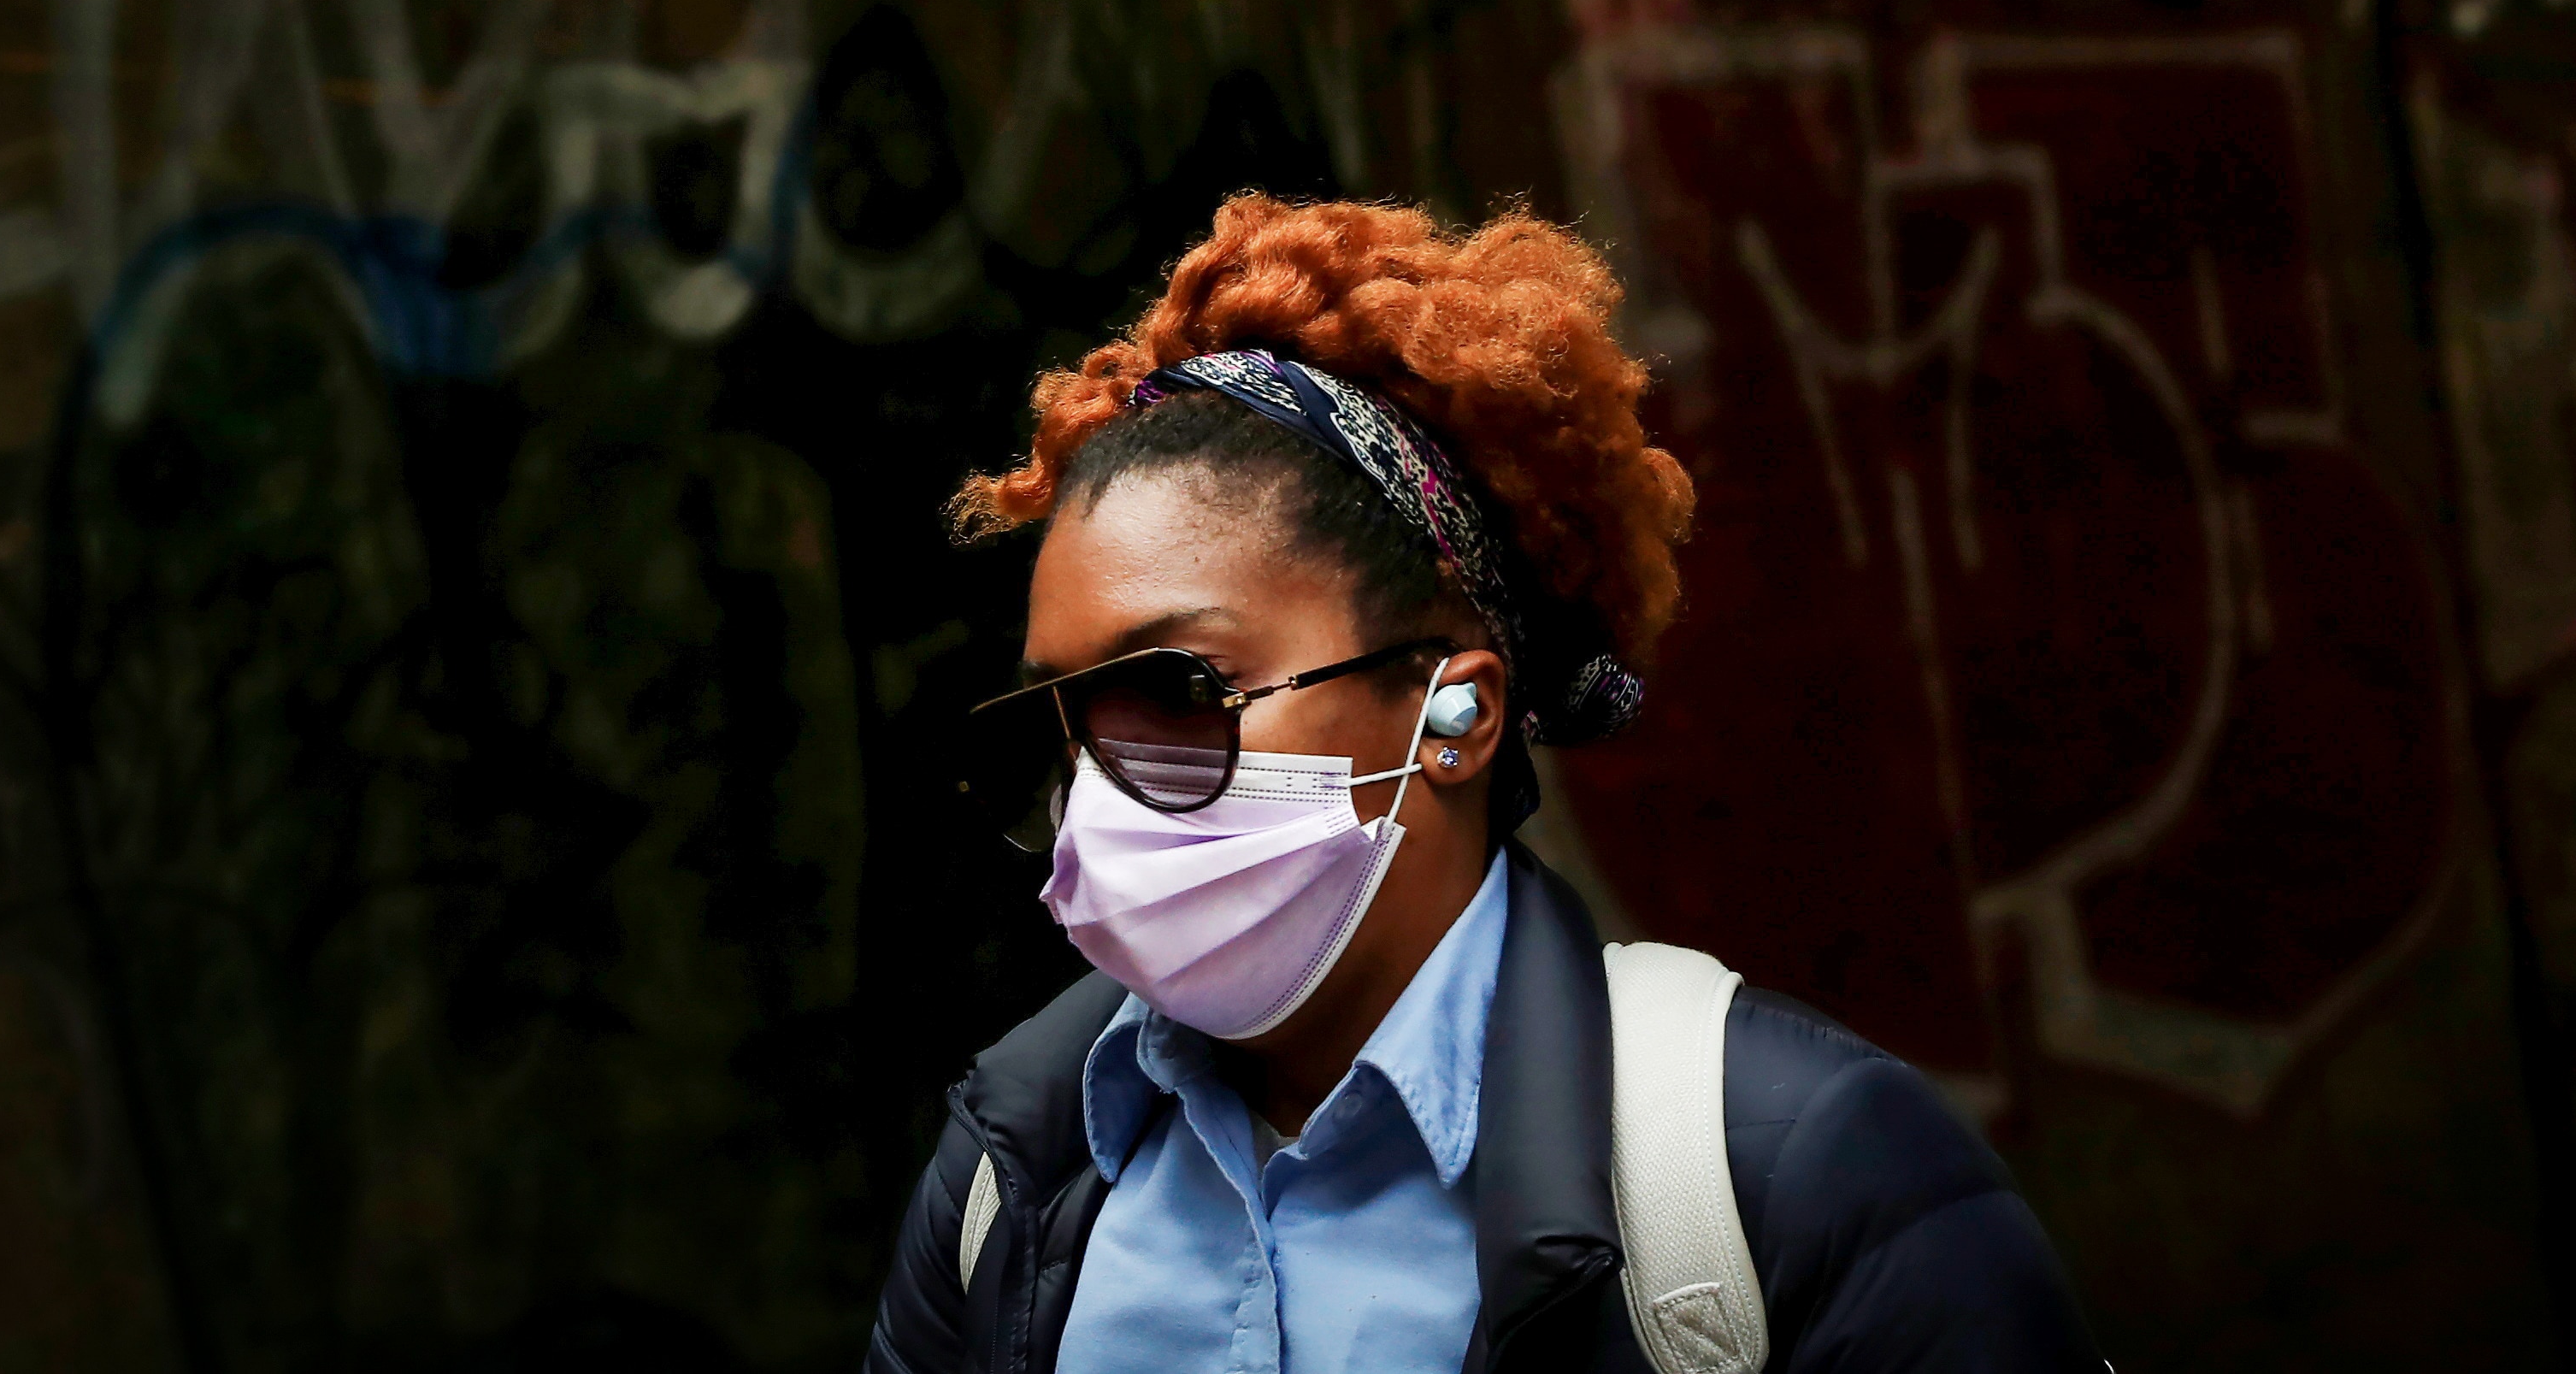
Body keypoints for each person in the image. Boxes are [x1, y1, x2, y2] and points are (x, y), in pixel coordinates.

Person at [864, 196, 2101, 1374]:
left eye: (1178, 694)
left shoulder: (1793, 1171)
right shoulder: (1007, 1178)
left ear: (1457, 714)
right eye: (1063, 729)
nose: (1100, 796)